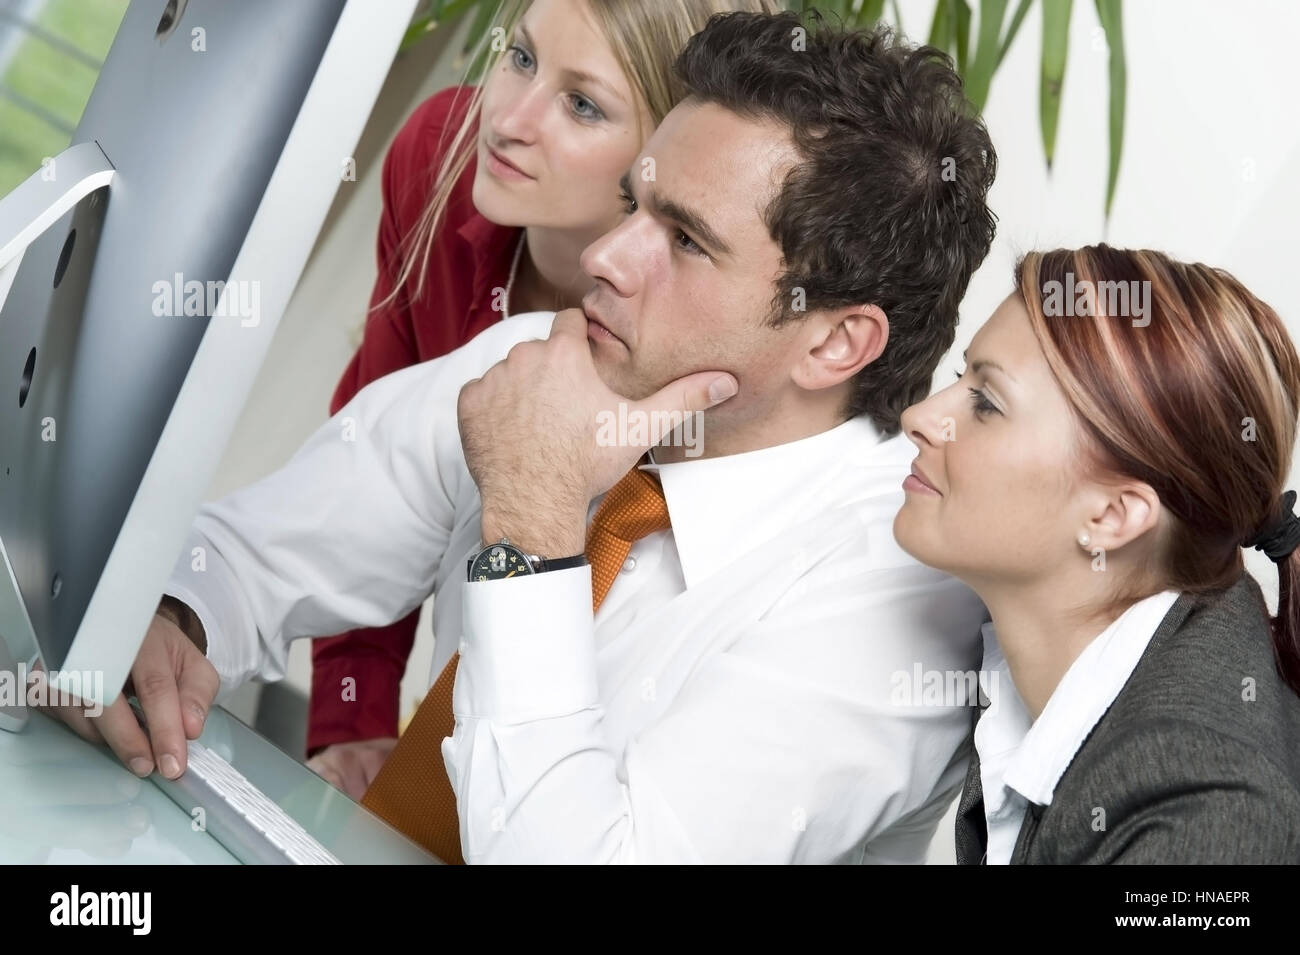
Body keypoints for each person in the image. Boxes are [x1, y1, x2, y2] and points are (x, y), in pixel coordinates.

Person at [46, 10, 998, 863]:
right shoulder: (560, 361)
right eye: (635, 205)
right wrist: (177, 615)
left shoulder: (897, 594)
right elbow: (255, 551)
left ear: (836, 340)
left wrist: (535, 521)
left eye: (687, 241)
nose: (604, 259)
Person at [308, 0, 782, 797]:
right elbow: (370, 465)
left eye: (583, 104)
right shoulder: (442, 156)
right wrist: (354, 722)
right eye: (521, 57)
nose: (510, 121)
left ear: (672, 153)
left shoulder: (697, 338)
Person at [894, 244, 1300, 864]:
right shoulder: (1080, 663)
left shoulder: (1201, 820)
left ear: (1111, 517)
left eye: (986, 404)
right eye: (960, 379)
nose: (918, 417)